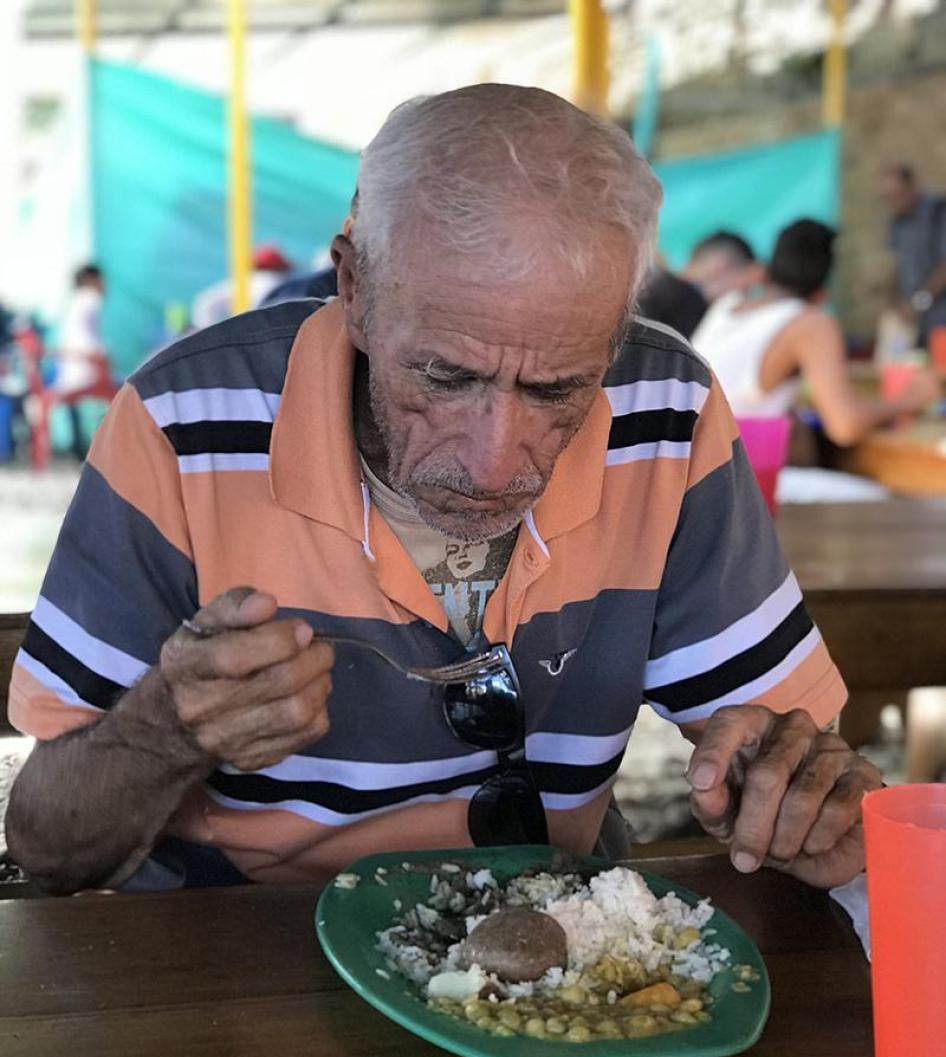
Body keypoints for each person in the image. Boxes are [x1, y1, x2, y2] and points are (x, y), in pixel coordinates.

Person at [6, 86, 878, 896]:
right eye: (443, 376)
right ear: (354, 285)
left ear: (615, 336)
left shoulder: (663, 405)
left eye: (556, 390)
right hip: (237, 953)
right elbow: (46, 843)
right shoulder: (184, 422)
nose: (497, 466)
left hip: (551, 949)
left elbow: (787, 750)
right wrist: (168, 729)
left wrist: (802, 794)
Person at [693, 219, 938, 446]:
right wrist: (911, 400)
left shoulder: (727, 306)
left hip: (691, 469)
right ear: (825, 289)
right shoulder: (810, 323)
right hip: (736, 475)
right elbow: (845, 425)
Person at [638, 232, 757, 339]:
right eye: (745, 290)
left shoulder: (646, 276)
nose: (741, 299)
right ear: (720, 265)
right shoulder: (691, 312)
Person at [879, 163, 946, 349]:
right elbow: (897, 265)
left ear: (911, 187)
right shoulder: (897, 224)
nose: (893, 202)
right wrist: (896, 305)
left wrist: (919, 302)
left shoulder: (938, 214)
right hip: (914, 324)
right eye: (887, 197)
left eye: (897, 195)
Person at [55, 264, 110, 460]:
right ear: (90, 280)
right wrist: (104, 354)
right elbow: (91, 341)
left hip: (68, 373)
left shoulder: (71, 301)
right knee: (123, 391)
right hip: (88, 372)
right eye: (102, 279)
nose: (105, 284)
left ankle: (80, 448)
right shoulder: (91, 299)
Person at [191, 243, 295, 329]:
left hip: (251, 331)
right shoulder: (292, 281)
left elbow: (206, 302)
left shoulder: (249, 281)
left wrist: (206, 333)